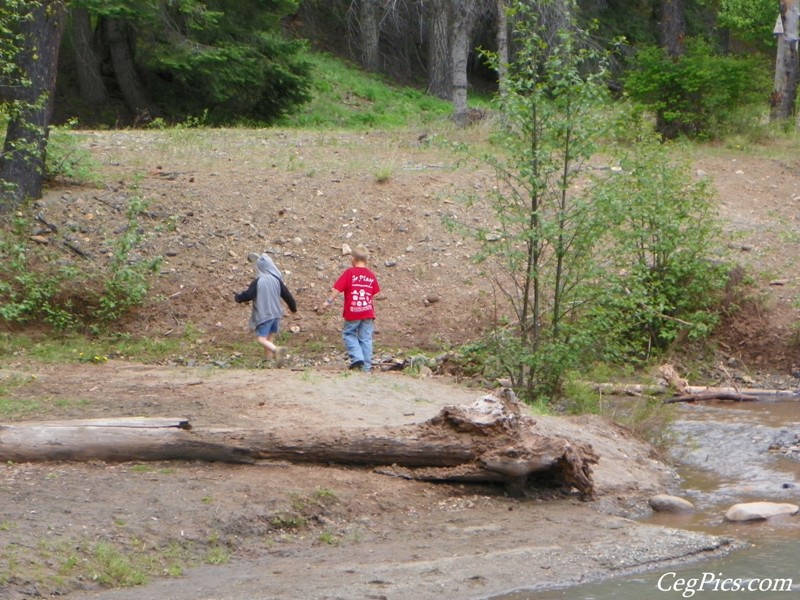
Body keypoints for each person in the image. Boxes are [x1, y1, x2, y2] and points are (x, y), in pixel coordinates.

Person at [321, 245, 380, 372]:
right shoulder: (371, 275)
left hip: (353, 311)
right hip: (368, 312)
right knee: (365, 338)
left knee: (349, 334)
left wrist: (328, 301)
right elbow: (374, 293)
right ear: (367, 260)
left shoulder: (349, 273)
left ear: (352, 259)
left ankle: (358, 358)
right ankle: (367, 367)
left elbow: (337, 289)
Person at [235, 253, 296, 367]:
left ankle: (277, 350)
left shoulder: (258, 281)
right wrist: (293, 307)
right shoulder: (277, 280)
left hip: (265, 315)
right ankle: (268, 362)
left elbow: (248, 295)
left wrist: (238, 298)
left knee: (261, 339)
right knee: (269, 338)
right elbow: (287, 296)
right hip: (276, 314)